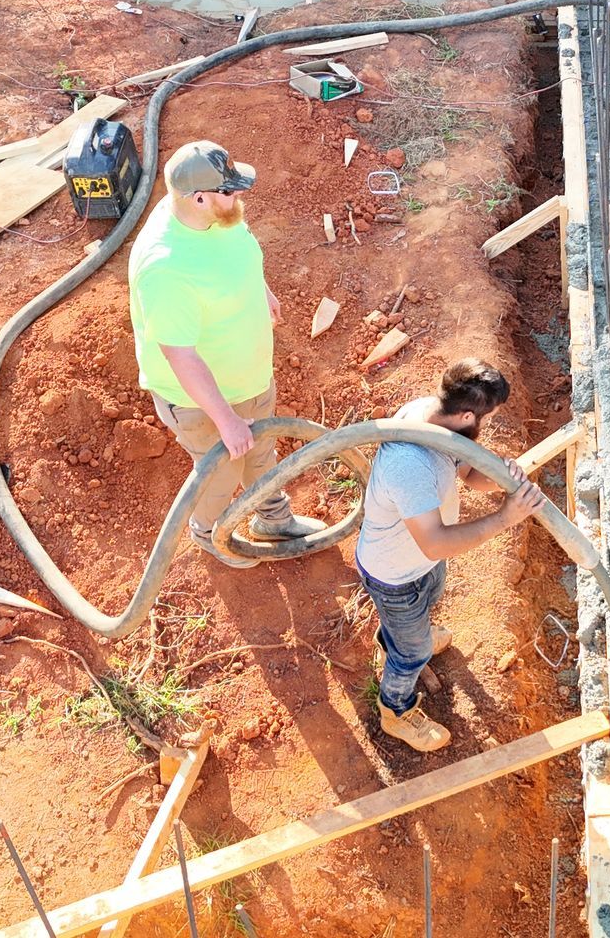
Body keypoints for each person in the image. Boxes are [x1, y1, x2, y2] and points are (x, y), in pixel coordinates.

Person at [128, 139, 325, 567]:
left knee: (261, 456)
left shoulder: (219, 213)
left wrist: (262, 289)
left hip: (250, 377)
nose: (240, 197)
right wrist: (226, 420)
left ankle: (273, 519)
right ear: (198, 198)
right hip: (204, 404)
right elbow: (181, 356)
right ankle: (209, 535)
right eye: (230, 190)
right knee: (219, 474)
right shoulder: (166, 268)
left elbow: (240, 252)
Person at [355, 358, 545, 752]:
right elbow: (435, 543)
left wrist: (499, 475)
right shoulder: (410, 463)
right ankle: (396, 709)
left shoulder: (438, 419)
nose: (486, 425)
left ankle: (401, 636)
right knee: (413, 653)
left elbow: (470, 477)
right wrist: (505, 518)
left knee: (427, 606)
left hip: (421, 565)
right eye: (486, 418)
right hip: (394, 574)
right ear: (466, 414)